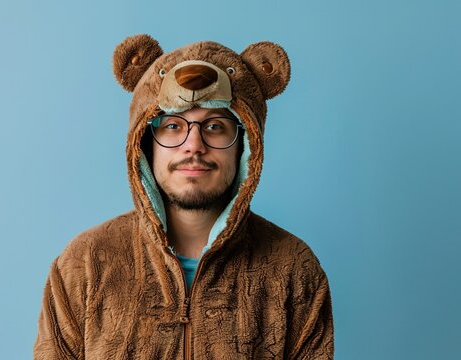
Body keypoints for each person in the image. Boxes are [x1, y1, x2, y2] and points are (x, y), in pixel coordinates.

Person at [34, 34, 334, 359]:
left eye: (215, 126)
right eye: (174, 126)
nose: (193, 145)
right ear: (146, 142)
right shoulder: (84, 264)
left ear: (246, 146)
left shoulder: (293, 269)